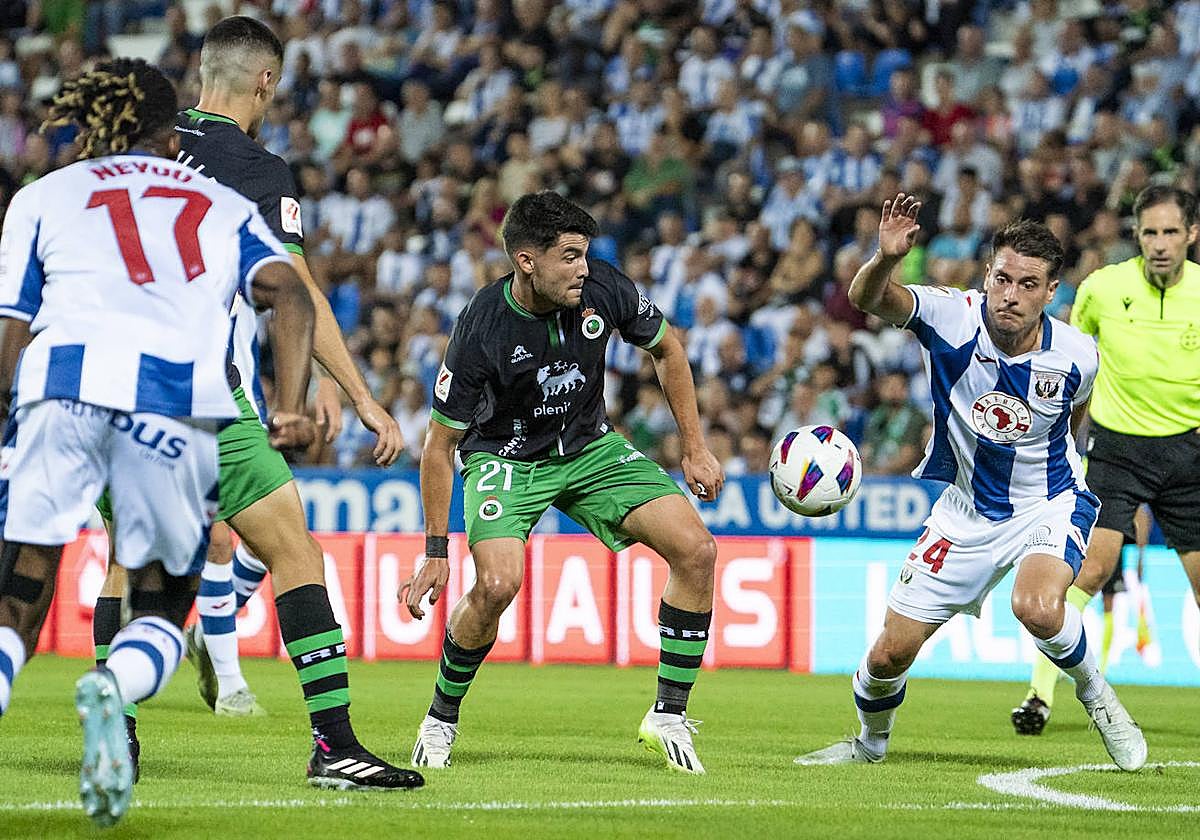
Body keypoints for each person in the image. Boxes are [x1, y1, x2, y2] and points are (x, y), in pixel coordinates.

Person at [91, 17, 420, 790]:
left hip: (102, 382)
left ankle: (117, 733)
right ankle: (334, 746)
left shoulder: (132, 144)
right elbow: (294, 294)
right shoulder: (257, 170)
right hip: (201, 390)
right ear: (266, 82)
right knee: (295, 552)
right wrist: (359, 396)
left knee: (127, 560)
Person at [0, 59, 316, 826]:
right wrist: (289, 406)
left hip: (62, 394)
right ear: (171, 136)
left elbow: (11, 328)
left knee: (17, 602)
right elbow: (291, 292)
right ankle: (116, 687)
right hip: (173, 409)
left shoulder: (42, 197)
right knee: (164, 603)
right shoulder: (217, 202)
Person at [795, 194, 1147, 771]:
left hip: (1046, 502)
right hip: (963, 513)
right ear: (987, 275)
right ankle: (869, 744)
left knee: (1037, 606)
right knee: (887, 655)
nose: (1011, 295)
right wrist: (886, 259)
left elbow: (1072, 422)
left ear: (1051, 292)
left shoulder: (1078, 355)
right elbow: (866, 299)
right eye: (1002, 279)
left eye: (1028, 284)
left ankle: (1099, 698)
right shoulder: (949, 315)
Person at [401, 191, 724, 774]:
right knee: (497, 584)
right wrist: (435, 550)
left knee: (697, 550)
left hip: (588, 447)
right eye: (570, 256)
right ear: (527, 261)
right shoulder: (482, 326)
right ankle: (440, 719)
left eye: (585, 255)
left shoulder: (603, 287)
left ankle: (668, 716)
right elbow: (439, 445)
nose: (583, 269)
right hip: (505, 457)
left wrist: (694, 447)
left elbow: (668, 350)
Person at [1013, 185, 1200, 734]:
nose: (1160, 243)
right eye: (1150, 232)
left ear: (1191, 234)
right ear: (1136, 234)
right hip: (1117, 451)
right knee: (1090, 570)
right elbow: (1067, 359)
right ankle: (1038, 695)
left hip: (1189, 454)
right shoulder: (1103, 288)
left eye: (1171, 232)